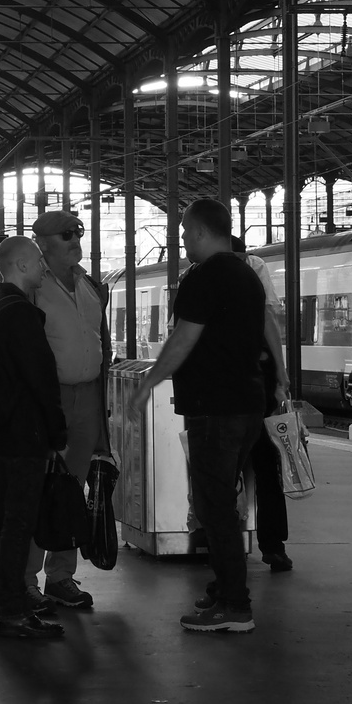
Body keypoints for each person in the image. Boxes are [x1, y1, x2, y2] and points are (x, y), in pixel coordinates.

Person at [131, 199, 265, 633]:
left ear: (203, 232)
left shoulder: (205, 277)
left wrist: (149, 382)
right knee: (222, 500)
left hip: (216, 408)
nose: (183, 241)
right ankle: (225, 587)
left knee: (213, 505)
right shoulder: (247, 274)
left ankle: (234, 605)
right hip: (246, 402)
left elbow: (183, 339)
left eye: (186, 232)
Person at [0, 236, 70, 639]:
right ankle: (14, 611)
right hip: (26, 434)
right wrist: (57, 430)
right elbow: (42, 380)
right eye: (37, 263)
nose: (44, 270)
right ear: (19, 266)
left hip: (1, 433)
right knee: (17, 523)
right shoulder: (20, 315)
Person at [24, 210, 111, 613]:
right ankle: (25, 580)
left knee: (71, 491)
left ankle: (61, 577)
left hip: (87, 396)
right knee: (40, 489)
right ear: (41, 243)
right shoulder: (32, 288)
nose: (75, 239)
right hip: (50, 400)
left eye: (78, 232)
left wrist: (102, 427)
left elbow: (102, 347)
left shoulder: (91, 286)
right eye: (65, 235)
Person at [232, 235, 294, 572]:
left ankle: (223, 548)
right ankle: (272, 546)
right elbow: (271, 319)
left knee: (224, 471)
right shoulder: (253, 268)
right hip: (258, 382)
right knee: (266, 468)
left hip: (234, 387)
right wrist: (280, 376)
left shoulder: (199, 273)